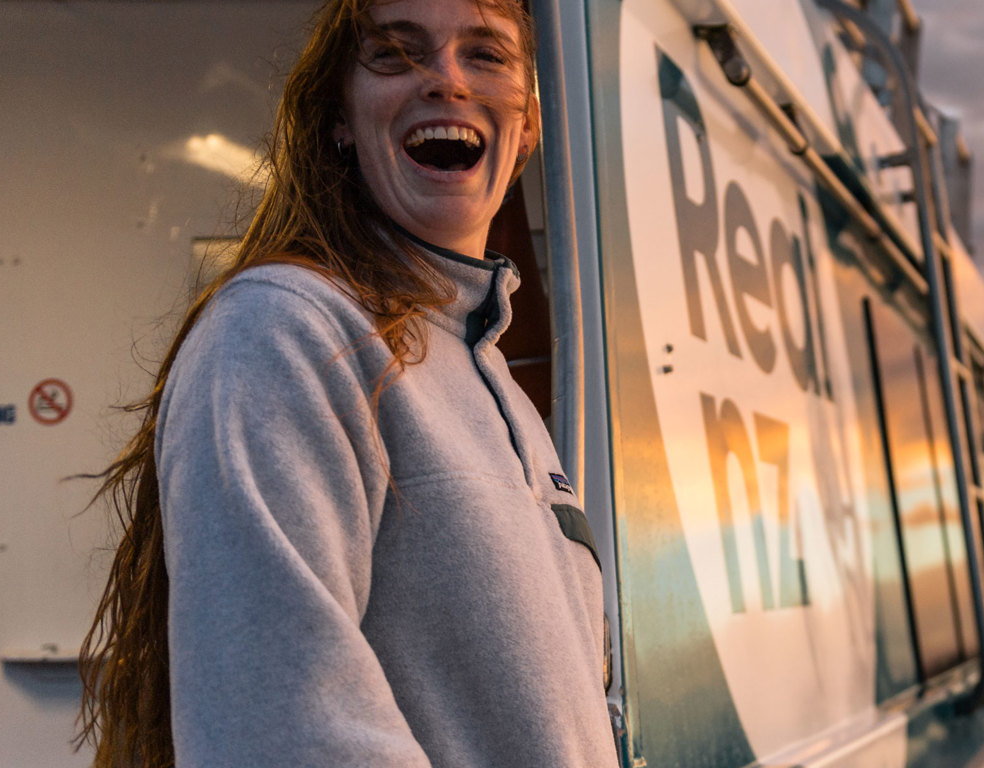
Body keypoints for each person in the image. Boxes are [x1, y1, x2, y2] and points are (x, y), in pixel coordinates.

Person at [76, 1, 619, 765]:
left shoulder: (490, 374)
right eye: (396, 54)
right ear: (340, 118)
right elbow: (283, 735)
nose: (446, 81)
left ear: (527, 124)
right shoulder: (283, 332)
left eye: (487, 55)